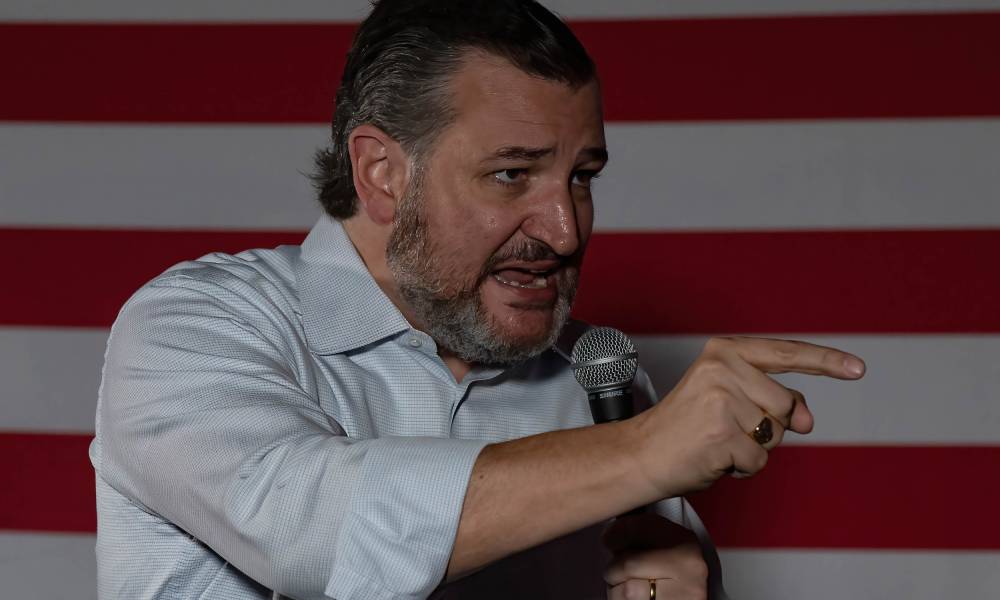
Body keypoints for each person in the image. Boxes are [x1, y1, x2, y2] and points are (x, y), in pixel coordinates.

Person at [91, 1, 866, 598]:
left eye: (582, 176)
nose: (564, 229)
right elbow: (309, 529)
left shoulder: (599, 381)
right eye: (511, 174)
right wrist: (638, 455)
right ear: (382, 174)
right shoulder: (192, 328)